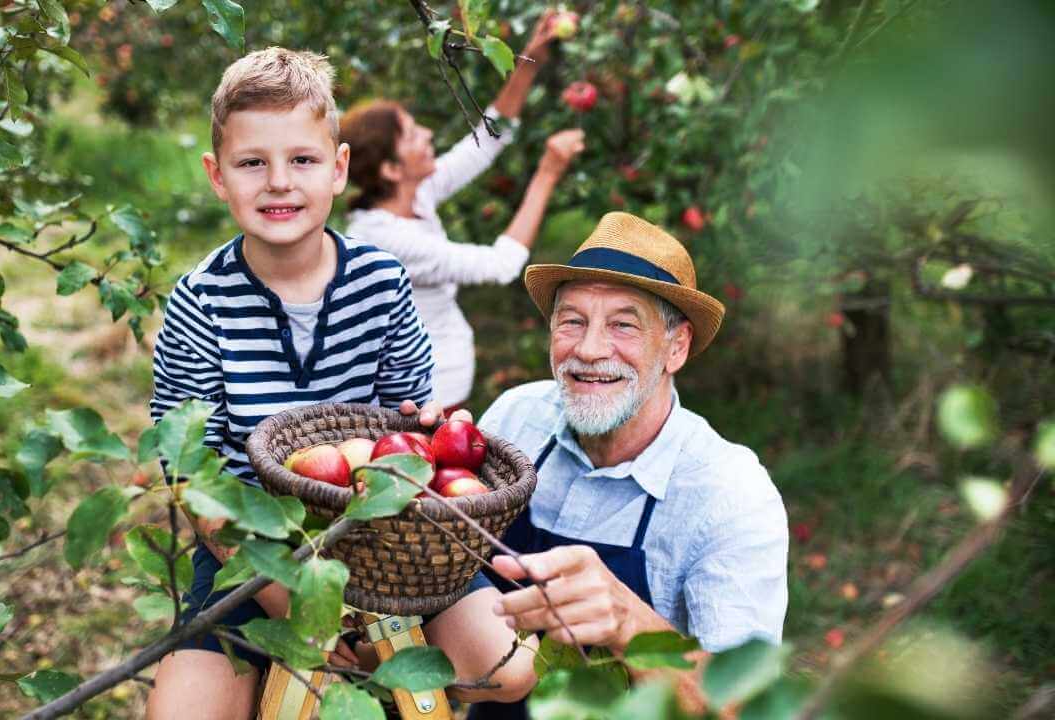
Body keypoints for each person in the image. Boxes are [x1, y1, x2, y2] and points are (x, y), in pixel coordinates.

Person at [146, 47, 535, 719]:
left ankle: (392, 685)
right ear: (217, 176)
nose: (278, 183)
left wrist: (431, 429)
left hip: (388, 538)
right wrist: (297, 607)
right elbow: (195, 477)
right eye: (250, 163)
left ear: (339, 167)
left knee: (508, 668)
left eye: (302, 160)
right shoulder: (199, 303)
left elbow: (409, 441)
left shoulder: (381, 284)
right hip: (251, 548)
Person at [470, 211, 789, 717]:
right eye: (572, 321)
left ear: (676, 347)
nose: (590, 349)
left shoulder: (730, 493)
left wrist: (628, 622)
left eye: (623, 325)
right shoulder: (516, 416)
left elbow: (744, 706)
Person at [341, 11, 585, 410]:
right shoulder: (385, 241)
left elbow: (488, 140)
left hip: (440, 386)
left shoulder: (411, 196)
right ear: (390, 168)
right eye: (412, 133)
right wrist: (548, 172)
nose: (429, 134)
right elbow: (500, 265)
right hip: (422, 402)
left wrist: (529, 58)